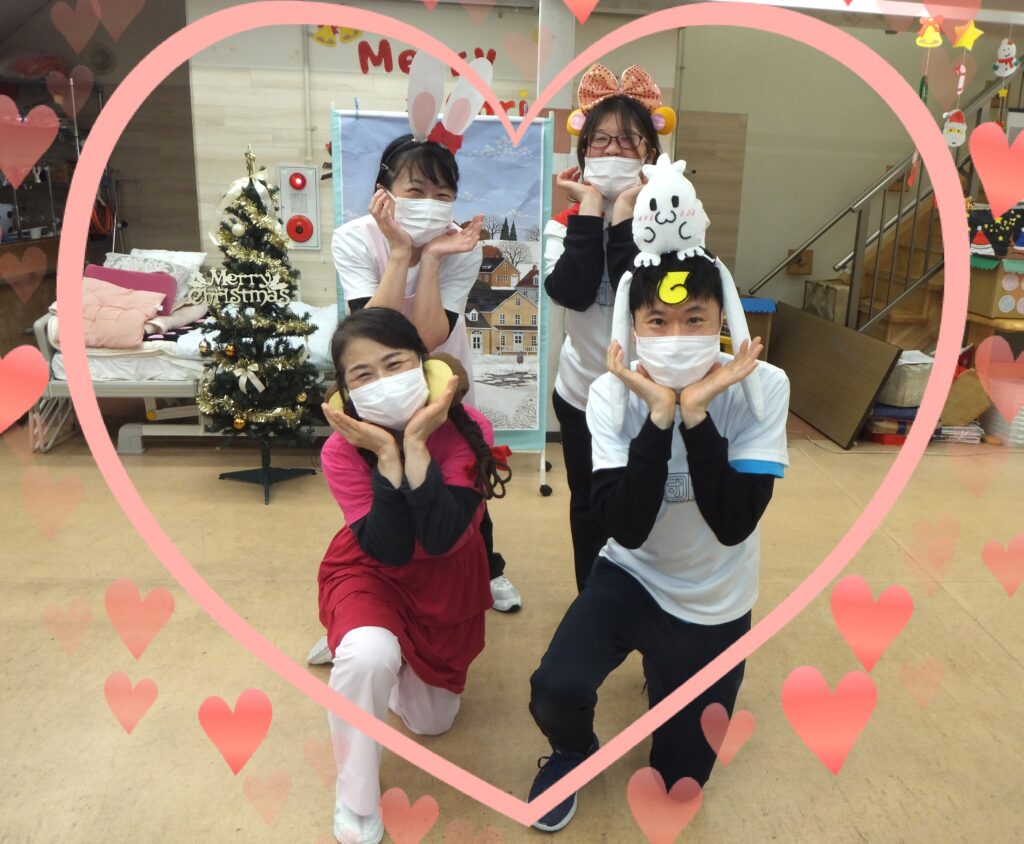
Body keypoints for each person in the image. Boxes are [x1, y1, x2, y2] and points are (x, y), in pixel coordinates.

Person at [526, 253, 790, 833]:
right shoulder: (608, 394)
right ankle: (573, 751)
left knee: (678, 785)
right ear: (634, 327)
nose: (676, 337)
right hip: (633, 575)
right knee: (554, 689)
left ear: (722, 318)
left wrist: (695, 415)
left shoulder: (762, 388)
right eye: (658, 322)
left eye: (695, 319)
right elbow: (627, 527)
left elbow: (733, 522)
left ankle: (670, 674)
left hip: (714, 600)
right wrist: (658, 414)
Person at [318, 308, 511, 844]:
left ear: (424, 366)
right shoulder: (340, 450)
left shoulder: (471, 430)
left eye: (394, 364)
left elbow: (443, 537)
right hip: (373, 569)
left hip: (446, 577)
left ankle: (380, 653)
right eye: (362, 375)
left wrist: (417, 447)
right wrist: (385, 455)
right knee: (367, 655)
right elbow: (392, 548)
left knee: (432, 723)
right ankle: (355, 798)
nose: (382, 382)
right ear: (345, 393)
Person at [543, 63, 673, 592]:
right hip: (580, 394)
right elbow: (571, 292)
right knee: (589, 504)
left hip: (650, 395)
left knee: (649, 502)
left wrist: (626, 215)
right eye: (600, 140)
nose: (614, 151)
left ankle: (649, 600)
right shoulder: (563, 226)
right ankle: (594, 599)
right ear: (583, 153)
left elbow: (636, 297)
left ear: (650, 154)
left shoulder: (673, 226)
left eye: (628, 140)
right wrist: (593, 208)